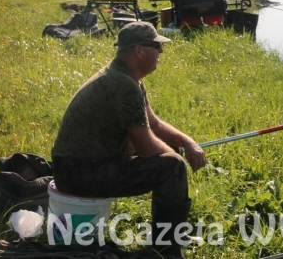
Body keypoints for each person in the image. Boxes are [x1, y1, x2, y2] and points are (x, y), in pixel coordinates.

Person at [51, 21, 206, 257]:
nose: (161, 51)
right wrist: (176, 157)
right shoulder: (122, 84)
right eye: (156, 46)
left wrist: (187, 142)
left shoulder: (127, 78)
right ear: (139, 51)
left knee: (171, 158)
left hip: (81, 167)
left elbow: (153, 123)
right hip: (77, 173)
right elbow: (146, 148)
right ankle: (167, 249)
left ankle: (172, 234)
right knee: (172, 166)